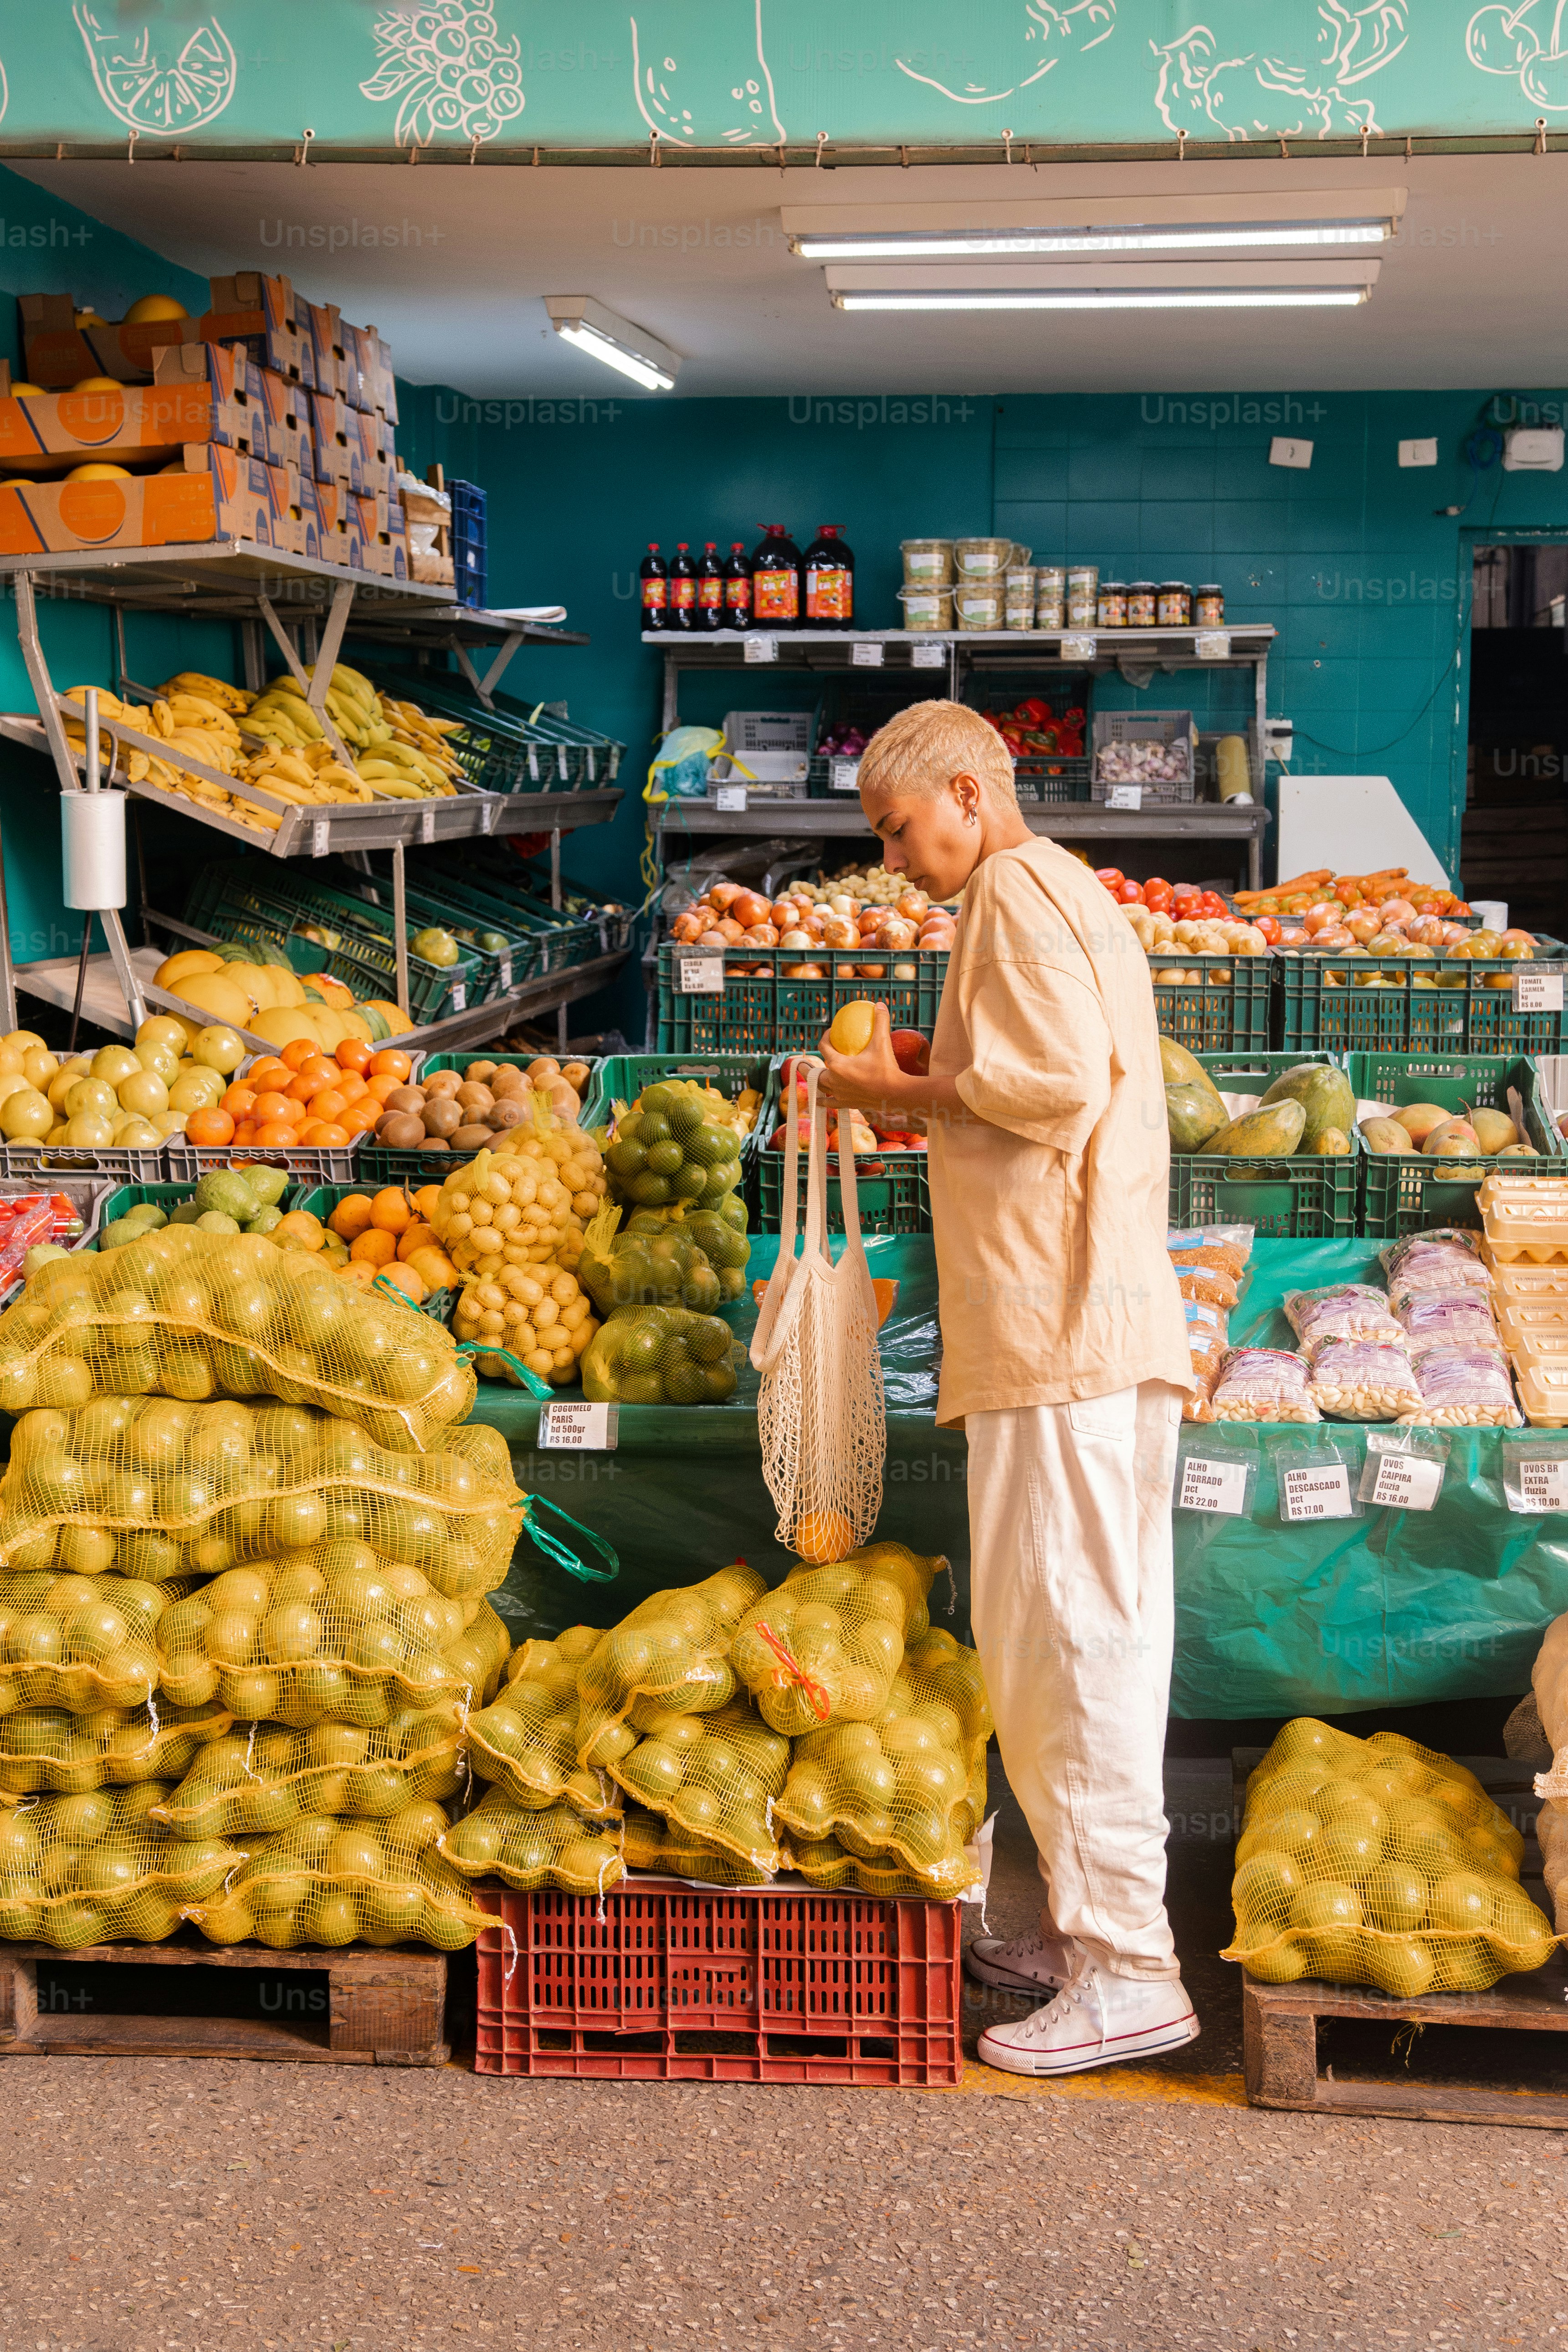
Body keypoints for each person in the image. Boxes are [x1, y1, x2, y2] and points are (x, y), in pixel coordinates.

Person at [816, 698, 1199, 2079]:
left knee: (1075, 1654)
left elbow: (1043, 1088)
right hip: (1070, 1335)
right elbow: (1047, 1077)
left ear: (970, 796)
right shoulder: (1051, 894)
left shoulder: (1016, 892)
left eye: (901, 828)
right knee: (1059, 1653)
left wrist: (892, 1089)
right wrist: (923, 1073)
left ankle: (1129, 1971)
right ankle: (1080, 1932)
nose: (897, 858)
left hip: (1062, 1338)